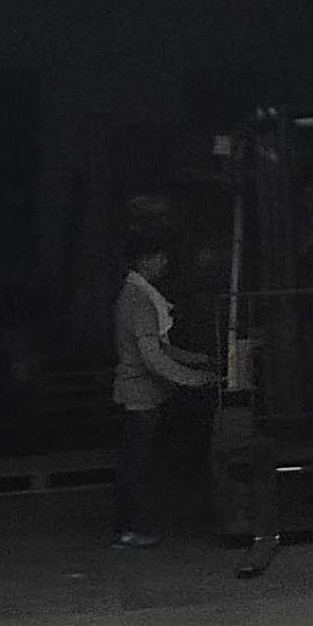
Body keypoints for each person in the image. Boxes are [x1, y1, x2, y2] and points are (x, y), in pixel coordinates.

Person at [111, 218, 214, 546]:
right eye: (160, 256)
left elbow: (160, 347)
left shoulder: (138, 295)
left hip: (144, 392)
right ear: (145, 260)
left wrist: (194, 359)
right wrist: (190, 378)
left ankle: (133, 525)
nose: (165, 262)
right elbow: (152, 356)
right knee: (136, 464)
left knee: (139, 461)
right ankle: (127, 529)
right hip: (140, 394)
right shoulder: (140, 301)